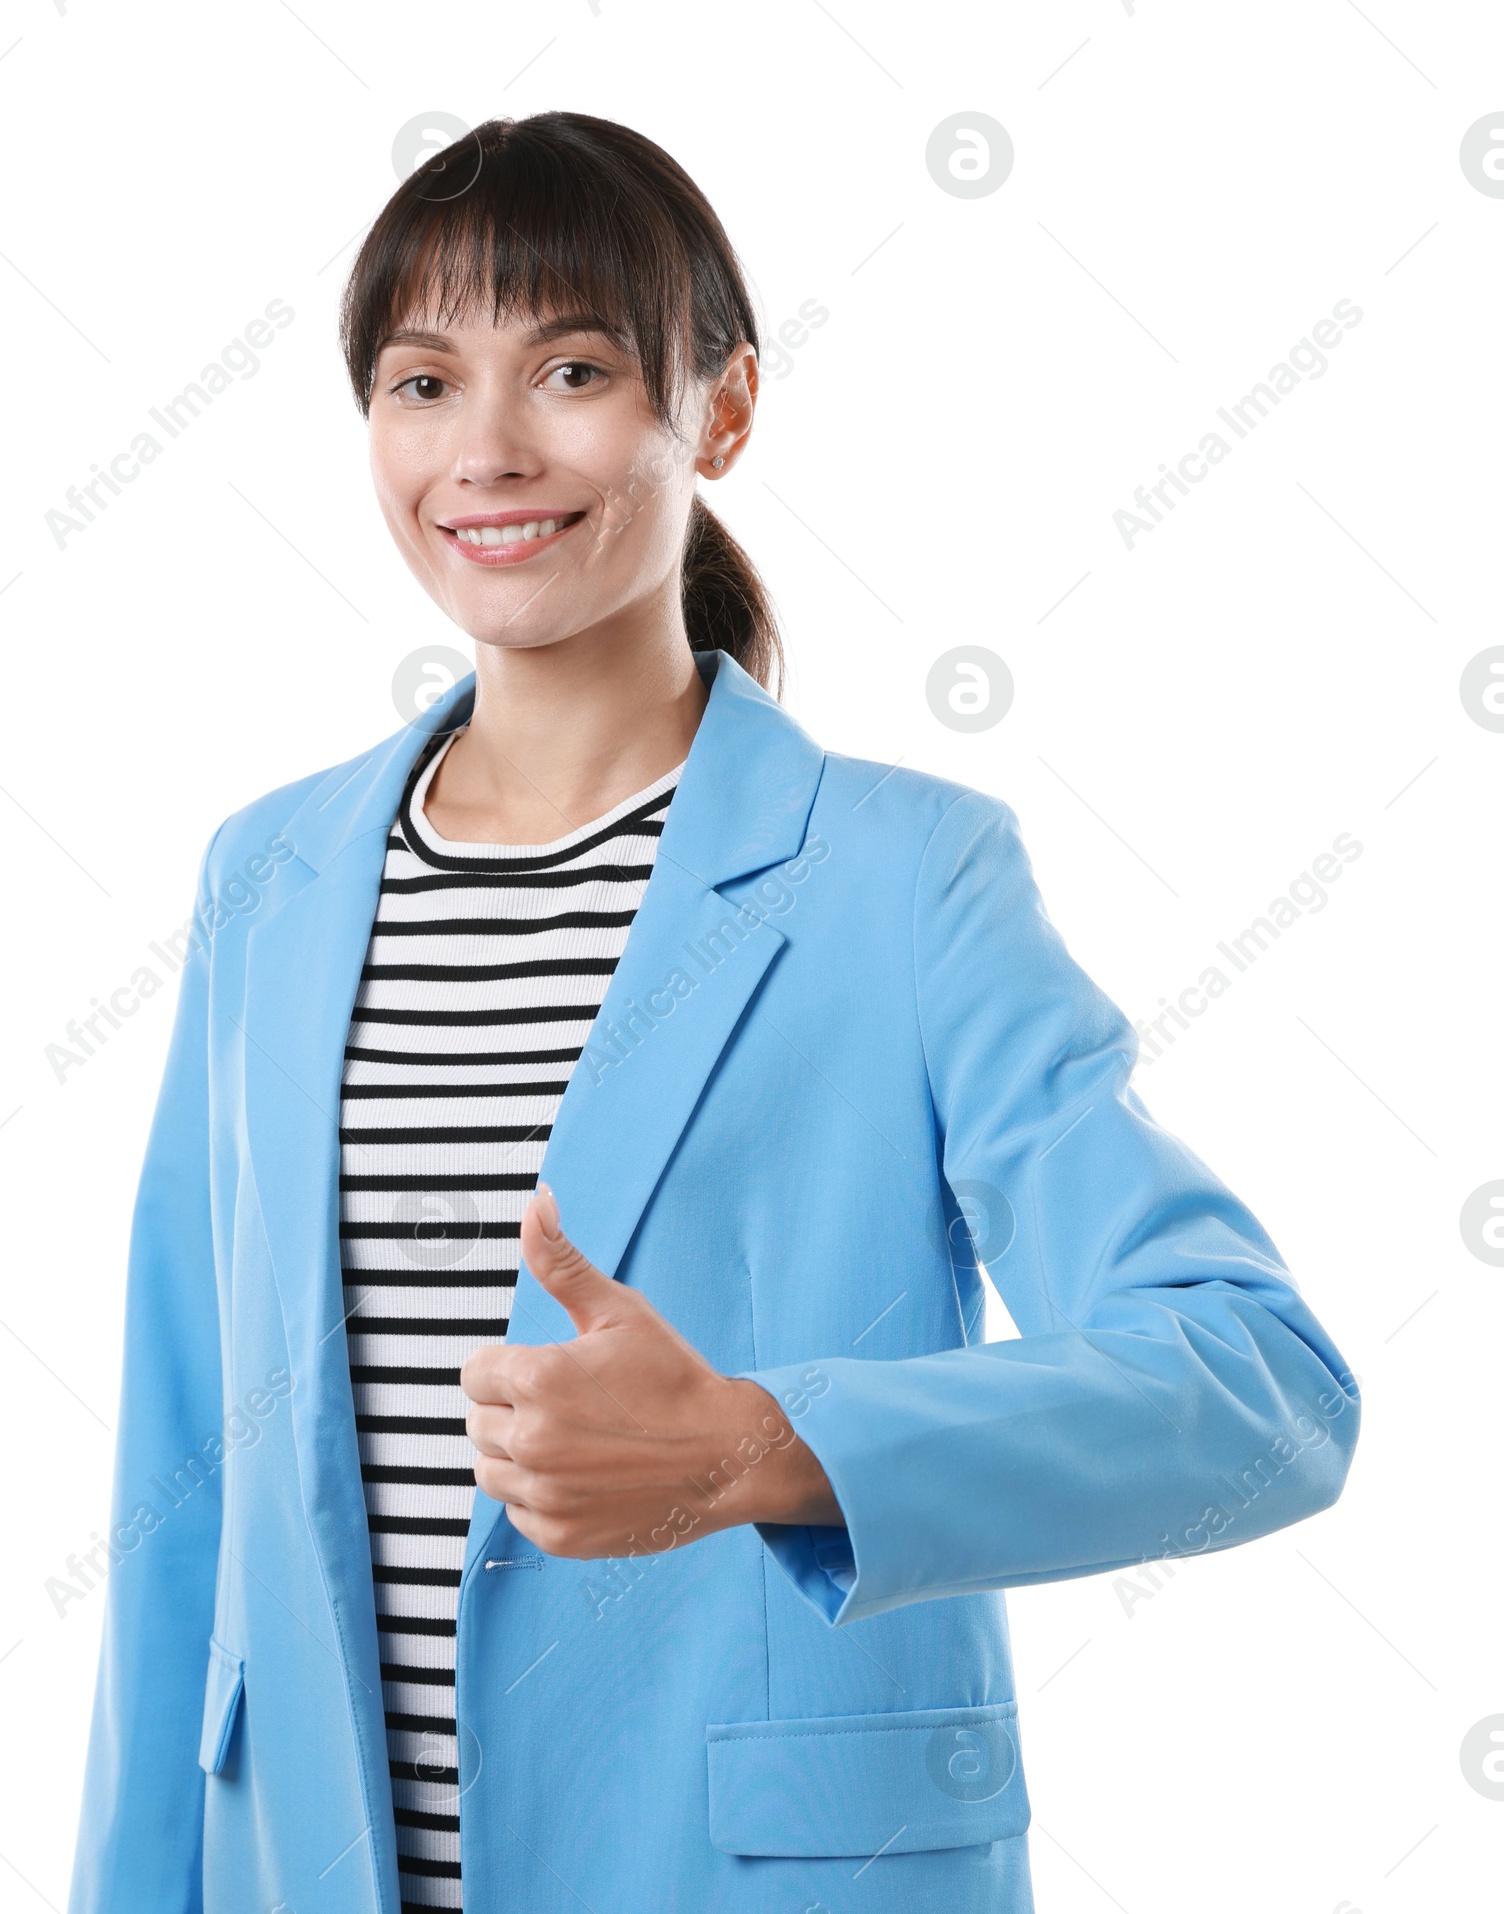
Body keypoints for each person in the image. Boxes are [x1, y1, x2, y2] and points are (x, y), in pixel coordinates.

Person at [67, 111, 1360, 1914]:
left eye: (573, 367)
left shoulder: (904, 878)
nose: (488, 449)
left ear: (723, 410)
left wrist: (769, 1444)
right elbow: (184, 1479)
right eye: (422, 381)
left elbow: (1261, 1390)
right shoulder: (266, 881)